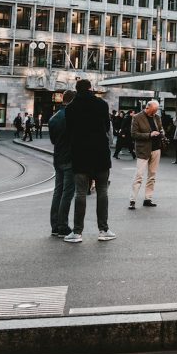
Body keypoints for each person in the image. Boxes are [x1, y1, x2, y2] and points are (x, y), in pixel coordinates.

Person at [63, 79, 115, 242]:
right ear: (91, 88)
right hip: (100, 154)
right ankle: (103, 230)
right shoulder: (102, 104)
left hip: (80, 155)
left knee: (80, 194)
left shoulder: (71, 108)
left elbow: (69, 131)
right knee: (102, 191)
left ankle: (77, 232)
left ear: (76, 90)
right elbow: (107, 127)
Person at [48, 91, 76, 238]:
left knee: (58, 191)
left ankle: (54, 225)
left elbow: (53, 141)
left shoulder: (54, 118)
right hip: (70, 158)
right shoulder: (73, 117)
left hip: (58, 157)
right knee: (67, 193)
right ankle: (63, 225)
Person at [129, 99, 165, 207]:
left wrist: (161, 133)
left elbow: (161, 128)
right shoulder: (137, 117)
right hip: (143, 149)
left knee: (152, 175)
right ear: (147, 107)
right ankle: (132, 200)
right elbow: (134, 134)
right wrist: (149, 134)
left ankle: (148, 199)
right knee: (139, 175)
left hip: (156, 149)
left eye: (156, 111)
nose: (154, 113)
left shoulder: (157, 117)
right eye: (153, 111)